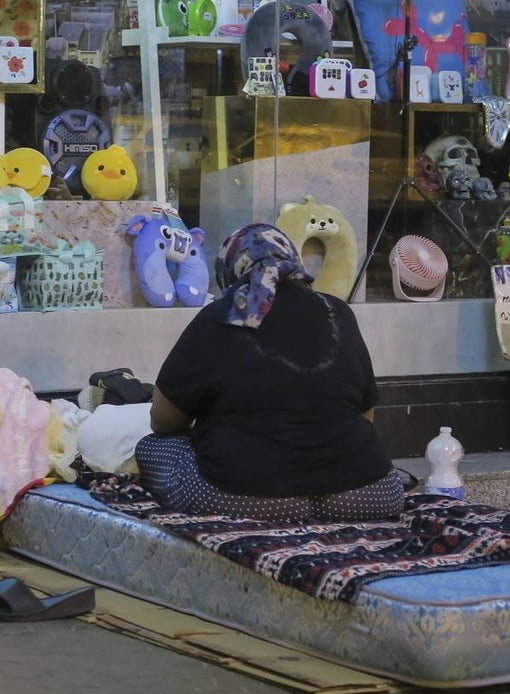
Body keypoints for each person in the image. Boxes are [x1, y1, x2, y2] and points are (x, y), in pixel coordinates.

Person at [134, 223, 404, 523]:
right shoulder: (338, 312)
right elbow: (366, 417)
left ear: (230, 270)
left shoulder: (219, 316)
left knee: (152, 448)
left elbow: (163, 420)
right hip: (370, 494)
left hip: (246, 497)